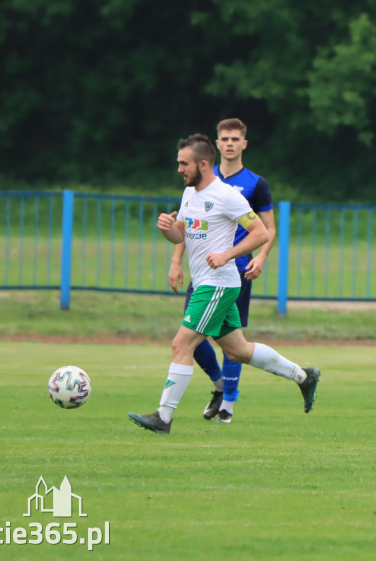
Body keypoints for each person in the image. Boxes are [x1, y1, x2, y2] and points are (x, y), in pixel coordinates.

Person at [128, 135, 318, 434]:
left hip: (218, 284)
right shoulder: (189, 192)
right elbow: (183, 234)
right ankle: (304, 376)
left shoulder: (226, 195)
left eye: (183, 163)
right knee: (238, 351)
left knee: (182, 343)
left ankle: (163, 417)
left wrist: (228, 254)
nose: (179, 168)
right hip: (207, 282)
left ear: (203, 164)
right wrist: (169, 229)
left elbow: (261, 233)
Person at [167, 118, 277, 423]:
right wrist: (176, 261)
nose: (229, 143)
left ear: (244, 144)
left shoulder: (255, 184)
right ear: (216, 145)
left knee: (227, 342)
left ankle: (227, 404)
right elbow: (189, 226)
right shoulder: (200, 178)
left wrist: (262, 257)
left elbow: (267, 229)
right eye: (224, 138)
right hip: (203, 271)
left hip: (237, 270)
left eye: (235, 139)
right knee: (199, 340)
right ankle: (218, 386)